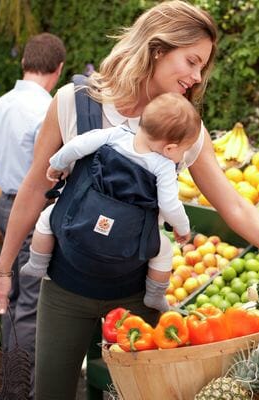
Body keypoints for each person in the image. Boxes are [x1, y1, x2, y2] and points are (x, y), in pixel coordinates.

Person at [0, 2, 259, 398]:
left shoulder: (185, 130)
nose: (196, 76)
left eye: (202, 67)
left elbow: (234, 205)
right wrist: (3, 271)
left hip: (138, 294)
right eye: (191, 61)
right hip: (65, 288)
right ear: (157, 48)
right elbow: (34, 188)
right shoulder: (73, 101)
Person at [20, 92, 201, 313]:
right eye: (183, 151)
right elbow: (170, 205)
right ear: (170, 148)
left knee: (48, 217)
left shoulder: (116, 135)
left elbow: (77, 146)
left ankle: (38, 264)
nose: (181, 157)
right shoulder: (163, 167)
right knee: (162, 250)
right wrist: (182, 229)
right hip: (129, 236)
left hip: (86, 215)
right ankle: (155, 295)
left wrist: (57, 164)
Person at [0, 32, 66, 397]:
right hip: (35, 211)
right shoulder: (50, 109)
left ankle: (10, 385)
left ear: (23, 63)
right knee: (31, 306)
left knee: (9, 300)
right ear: (59, 69)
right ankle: (23, 391)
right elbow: (51, 171)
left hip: (4, 207)